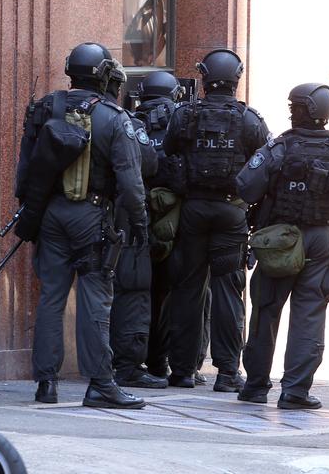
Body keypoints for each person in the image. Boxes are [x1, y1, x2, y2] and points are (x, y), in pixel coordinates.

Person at [15, 42, 147, 408]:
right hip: (91, 218)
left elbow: (25, 169)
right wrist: (139, 223)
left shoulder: (45, 107)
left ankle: (46, 384)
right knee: (95, 301)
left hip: (50, 215)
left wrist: (31, 211)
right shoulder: (114, 117)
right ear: (105, 74)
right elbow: (131, 182)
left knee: (51, 298)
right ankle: (101, 384)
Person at [236, 83, 329, 409]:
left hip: (280, 239)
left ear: (300, 110)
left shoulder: (279, 148)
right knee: (309, 314)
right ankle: (295, 391)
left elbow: (245, 185)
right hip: (321, 240)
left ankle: (255, 386)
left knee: (266, 309)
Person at [160, 49, 270, 391]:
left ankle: (180, 370)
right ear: (236, 79)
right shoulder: (250, 119)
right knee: (228, 292)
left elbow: (167, 151)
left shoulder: (184, 114)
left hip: (192, 210)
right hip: (231, 212)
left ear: (205, 78)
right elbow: (266, 167)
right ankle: (226, 373)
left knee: (187, 289)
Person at [132, 71, 210, 385]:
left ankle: (148, 360)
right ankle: (182, 366)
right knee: (182, 293)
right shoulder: (183, 120)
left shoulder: (131, 121)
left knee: (143, 291)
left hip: (137, 214)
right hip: (177, 218)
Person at [106, 63, 167, 389]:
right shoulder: (122, 121)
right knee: (132, 286)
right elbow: (149, 162)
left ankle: (92, 366)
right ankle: (127, 366)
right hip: (121, 217)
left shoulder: (59, 112)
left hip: (77, 216)